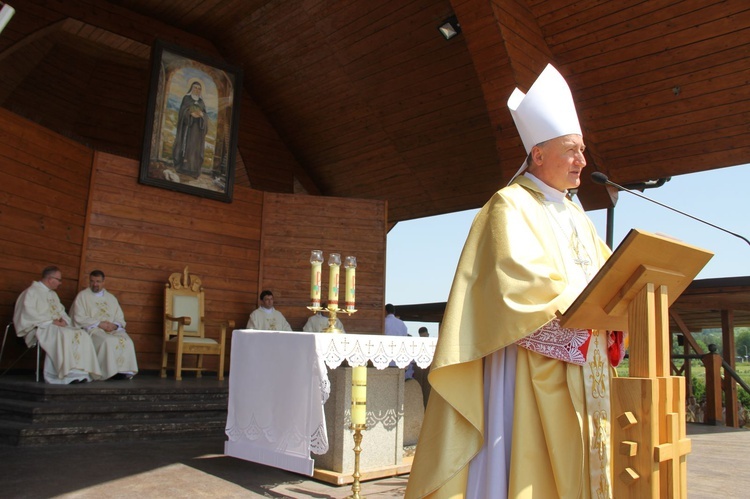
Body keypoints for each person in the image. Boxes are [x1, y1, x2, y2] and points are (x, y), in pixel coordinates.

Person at [406, 64, 624, 498]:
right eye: (572, 150)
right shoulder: (508, 207)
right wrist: (579, 333)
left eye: (583, 150)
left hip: (586, 368)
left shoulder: (576, 213)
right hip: (530, 372)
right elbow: (514, 292)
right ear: (538, 154)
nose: (583, 160)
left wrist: (616, 316)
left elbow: (608, 278)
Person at [13, 266, 101, 384]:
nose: (60, 283)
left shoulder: (53, 295)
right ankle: (62, 374)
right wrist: (52, 321)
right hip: (40, 327)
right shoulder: (31, 292)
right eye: (59, 280)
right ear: (50, 279)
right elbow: (28, 314)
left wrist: (64, 321)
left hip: (56, 326)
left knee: (81, 333)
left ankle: (80, 373)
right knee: (63, 334)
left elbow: (62, 312)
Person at [70, 270, 139, 380]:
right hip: (94, 329)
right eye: (92, 281)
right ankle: (107, 373)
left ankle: (123, 371)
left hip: (112, 329)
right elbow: (79, 317)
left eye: (98, 281)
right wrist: (99, 324)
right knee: (107, 341)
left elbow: (120, 317)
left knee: (128, 342)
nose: (95, 284)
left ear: (104, 282)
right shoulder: (83, 296)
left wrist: (115, 325)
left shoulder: (111, 298)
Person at [173, 79, 208, 179]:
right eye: (195, 88)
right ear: (191, 88)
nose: (197, 90)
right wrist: (189, 113)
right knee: (186, 148)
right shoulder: (186, 99)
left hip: (197, 132)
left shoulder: (201, 102)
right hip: (187, 130)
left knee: (195, 150)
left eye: (199, 89)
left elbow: (205, 116)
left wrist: (202, 115)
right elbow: (182, 112)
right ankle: (183, 168)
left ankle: (194, 170)